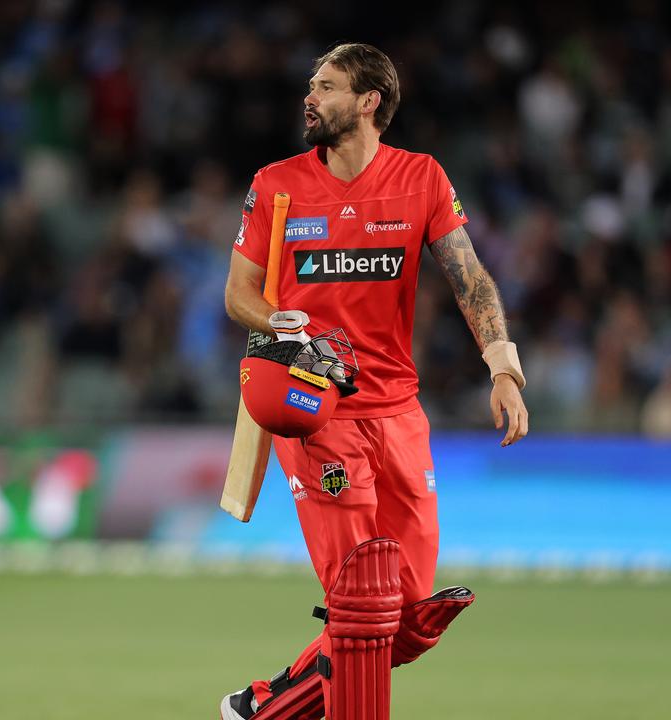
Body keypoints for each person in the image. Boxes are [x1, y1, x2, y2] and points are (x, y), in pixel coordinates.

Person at [220, 43, 529, 719]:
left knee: (408, 609)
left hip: (399, 414)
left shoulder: (420, 178)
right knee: (361, 603)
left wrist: (503, 367)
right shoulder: (276, 184)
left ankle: (263, 708)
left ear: (369, 103)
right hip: (315, 405)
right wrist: (286, 323)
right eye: (311, 84)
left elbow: (470, 277)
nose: (310, 96)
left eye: (326, 87)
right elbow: (238, 294)